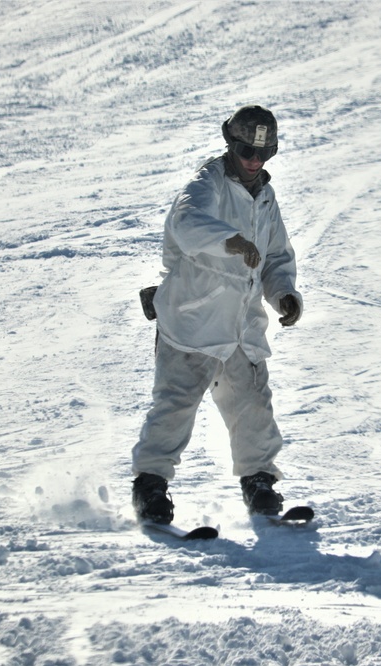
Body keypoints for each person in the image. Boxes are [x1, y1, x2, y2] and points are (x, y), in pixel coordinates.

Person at [131, 104, 303, 524]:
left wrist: (283, 294)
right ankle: (150, 487)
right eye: (247, 151)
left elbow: (277, 255)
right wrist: (230, 241)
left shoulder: (265, 196)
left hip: (242, 326)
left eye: (265, 153)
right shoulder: (206, 184)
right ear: (231, 144)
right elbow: (186, 224)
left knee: (252, 405)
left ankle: (258, 481)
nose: (255, 161)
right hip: (193, 320)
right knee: (174, 406)